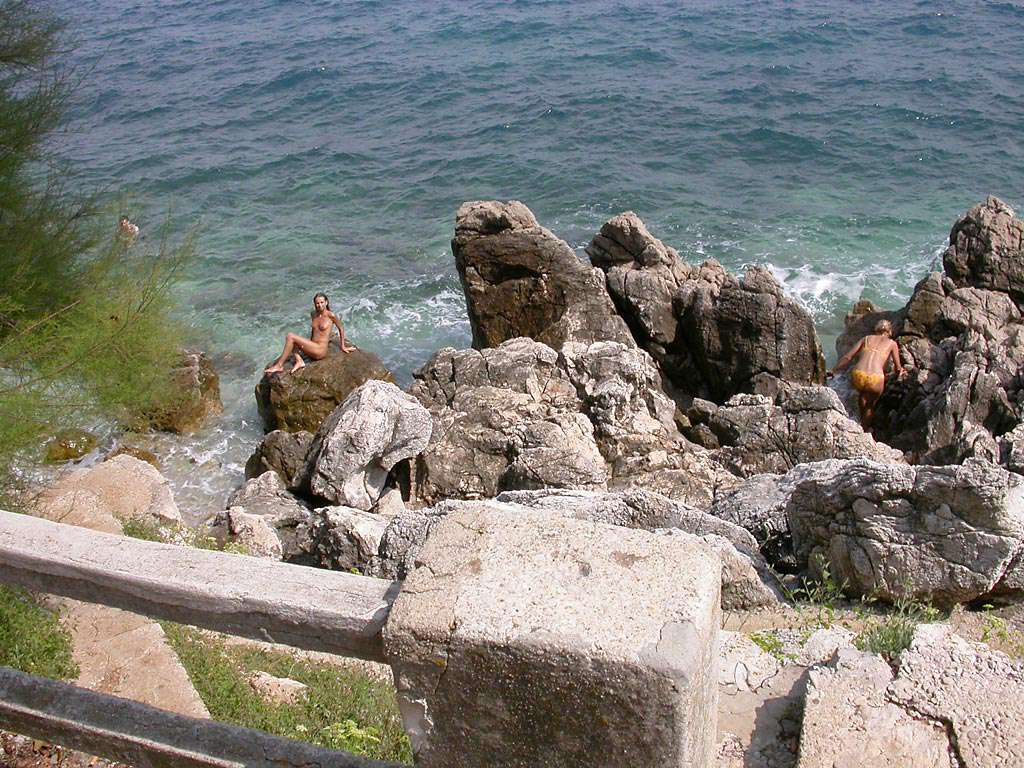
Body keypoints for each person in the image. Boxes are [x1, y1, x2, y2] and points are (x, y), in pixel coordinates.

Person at [828, 319, 906, 430]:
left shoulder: (866, 339)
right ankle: (864, 430)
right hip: (875, 378)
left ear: (876, 329)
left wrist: (833, 370)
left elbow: (848, 357)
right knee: (870, 406)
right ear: (890, 331)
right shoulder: (892, 344)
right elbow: (897, 368)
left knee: (862, 396)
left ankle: (858, 422)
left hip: (858, 375)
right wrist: (900, 372)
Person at [264, 292, 356, 375]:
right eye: (317, 303)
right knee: (293, 342)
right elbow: (314, 331)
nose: (320, 305)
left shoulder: (331, 315)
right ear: (314, 304)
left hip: (320, 350)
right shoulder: (313, 314)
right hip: (313, 347)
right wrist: (307, 345)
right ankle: (299, 361)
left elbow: (341, 328)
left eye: (322, 302)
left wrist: (343, 346)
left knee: (290, 336)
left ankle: (279, 365)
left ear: (326, 302)